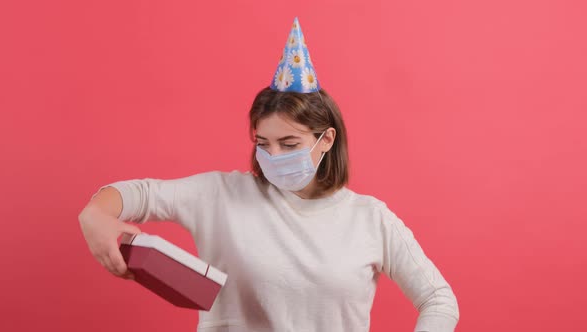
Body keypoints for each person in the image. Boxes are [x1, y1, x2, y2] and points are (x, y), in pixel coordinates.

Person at [79, 17, 459, 332]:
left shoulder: (370, 218)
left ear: (326, 140)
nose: (271, 156)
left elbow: (439, 299)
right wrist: (96, 216)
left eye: (289, 144)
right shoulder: (221, 195)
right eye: (263, 142)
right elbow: (138, 194)